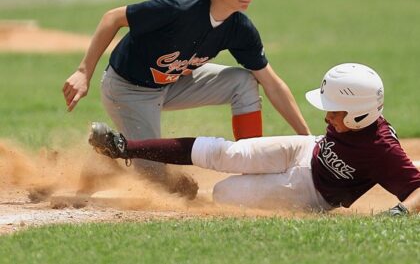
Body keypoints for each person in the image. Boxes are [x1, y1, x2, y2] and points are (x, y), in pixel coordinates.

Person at [62, 0, 310, 190]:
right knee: (156, 180)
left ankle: (251, 165)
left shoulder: (240, 28)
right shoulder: (179, 9)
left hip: (172, 82)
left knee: (243, 81)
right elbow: (113, 18)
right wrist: (84, 72)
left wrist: (307, 139)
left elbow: (272, 83)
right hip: (129, 89)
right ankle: (108, 155)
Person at [88, 63, 420, 214]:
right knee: (224, 153)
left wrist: (400, 213)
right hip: (305, 150)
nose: (327, 116)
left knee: (224, 193)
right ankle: (122, 147)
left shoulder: (382, 151)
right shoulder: (351, 121)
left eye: (334, 111)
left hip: (312, 193)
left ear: (359, 114)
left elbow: (417, 190)